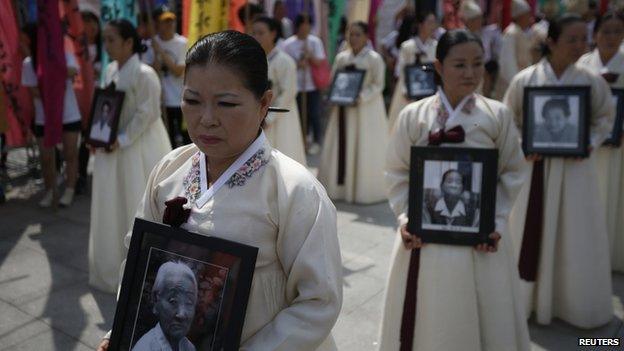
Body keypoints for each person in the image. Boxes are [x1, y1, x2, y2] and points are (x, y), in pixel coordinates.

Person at [96, 30, 342, 351]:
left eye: (226, 103)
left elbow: (319, 301)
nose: (206, 119)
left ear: (264, 103)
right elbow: (138, 260)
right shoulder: (170, 169)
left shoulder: (295, 191)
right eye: (192, 101)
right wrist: (121, 332)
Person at [378, 29, 530, 351]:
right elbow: (396, 171)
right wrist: (407, 218)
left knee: (482, 313)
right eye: (459, 64)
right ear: (438, 66)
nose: (471, 73)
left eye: (478, 64)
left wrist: (496, 222)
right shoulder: (413, 116)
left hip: (480, 239)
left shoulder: (496, 115)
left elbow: (512, 173)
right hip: (424, 238)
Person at [504, 14, 614, 329]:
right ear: (551, 42)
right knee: (530, 230)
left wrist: (588, 143)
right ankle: (527, 299)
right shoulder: (525, 79)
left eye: (584, 38)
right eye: (573, 39)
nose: (581, 45)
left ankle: (572, 303)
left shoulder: (590, 81)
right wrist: (525, 143)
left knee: (575, 232)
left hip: (576, 171)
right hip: (535, 169)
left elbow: (605, 117)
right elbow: (508, 118)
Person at [89, 19, 171, 294]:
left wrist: (121, 139)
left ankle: (141, 272)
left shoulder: (146, 73)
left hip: (138, 148)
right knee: (113, 205)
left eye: (112, 39)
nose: (107, 45)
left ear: (128, 42)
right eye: (105, 39)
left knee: (136, 202)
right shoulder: (111, 69)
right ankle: (113, 267)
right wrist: (97, 135)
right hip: (113, 148)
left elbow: (147, 113)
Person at [318, 22, 388, 204]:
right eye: (351, 34)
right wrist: (334, 94)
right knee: (342, 146)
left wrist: (361, 97)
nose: (353, 38)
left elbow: (379, 84)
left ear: (366, 37)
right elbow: (334, 81)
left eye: (358, 34)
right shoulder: (342, 58)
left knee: (363, 147)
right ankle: (339, 189)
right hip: (343, 110)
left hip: (365, 111)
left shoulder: (374, 59)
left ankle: (363, 190)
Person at [578, 11, 624, 273]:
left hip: (619, 147)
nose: (611, 37)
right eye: (606, 31)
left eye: (618, 31)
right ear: (595, 34)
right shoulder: (584, 64)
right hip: (591, 143)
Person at [21, 23, 81, 208]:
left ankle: (70, 189)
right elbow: (34, 92)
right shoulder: (28, 64)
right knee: (46, 158)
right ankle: (50, 190)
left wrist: (54, 67)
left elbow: (73, 71)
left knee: (70, 153)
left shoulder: (64, 56)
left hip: (68, 115)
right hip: (43, 118)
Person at [251, 16, 306, 165]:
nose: (256, 36)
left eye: (261, 32)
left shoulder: (284, 61)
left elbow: (288, 93)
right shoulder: (250, 61)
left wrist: (269, 118)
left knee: (283, 157)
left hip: (280, 118)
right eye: (254, 32)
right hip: (256, 119)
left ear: (273, 34)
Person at [280, 14, 326, 154]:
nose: (306, 28)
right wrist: (298, 65)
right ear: (298, 26)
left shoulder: (314, 42)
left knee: (314, 113)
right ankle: (302, 140)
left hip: (311, 85)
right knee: (300, 113)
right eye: (303, 25)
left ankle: (317, 141)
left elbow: (319, 62)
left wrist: (309, 55)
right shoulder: (288, 44)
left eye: (308, 25)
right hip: (297, 85)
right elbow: (285, 64)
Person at [387, 11, 439, 132]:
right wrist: (407, 89)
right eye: (429, 22)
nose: (433, 26)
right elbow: (400, 70)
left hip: (430, 91)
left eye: (434, 23)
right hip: (407, 90)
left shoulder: (436, 46)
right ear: (420, 25)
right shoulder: (407, 46)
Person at [132, 262, 198, 351]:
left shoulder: (188, 347)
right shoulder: (145, 348)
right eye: (173, 301)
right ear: (156, 300)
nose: (181, 314)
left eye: (189, 303)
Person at [151, 9, 189, 148]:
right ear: (157, 24)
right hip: (161, 101)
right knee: (167, 140)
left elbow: (178, 71)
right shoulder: (151, 44)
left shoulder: (182, 43)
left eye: (171, 21)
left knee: (184, 138)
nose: (169, 25)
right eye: (165, 22)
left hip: (179, 98)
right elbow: (151, 71)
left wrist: (160, 51)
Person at [493, 0, 538, 100]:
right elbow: (507, 64)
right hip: (512, 86)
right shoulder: (511, 33)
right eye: (527, 15)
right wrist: (518, 85)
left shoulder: (521, 32)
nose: (529, 18)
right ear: (520, 16)